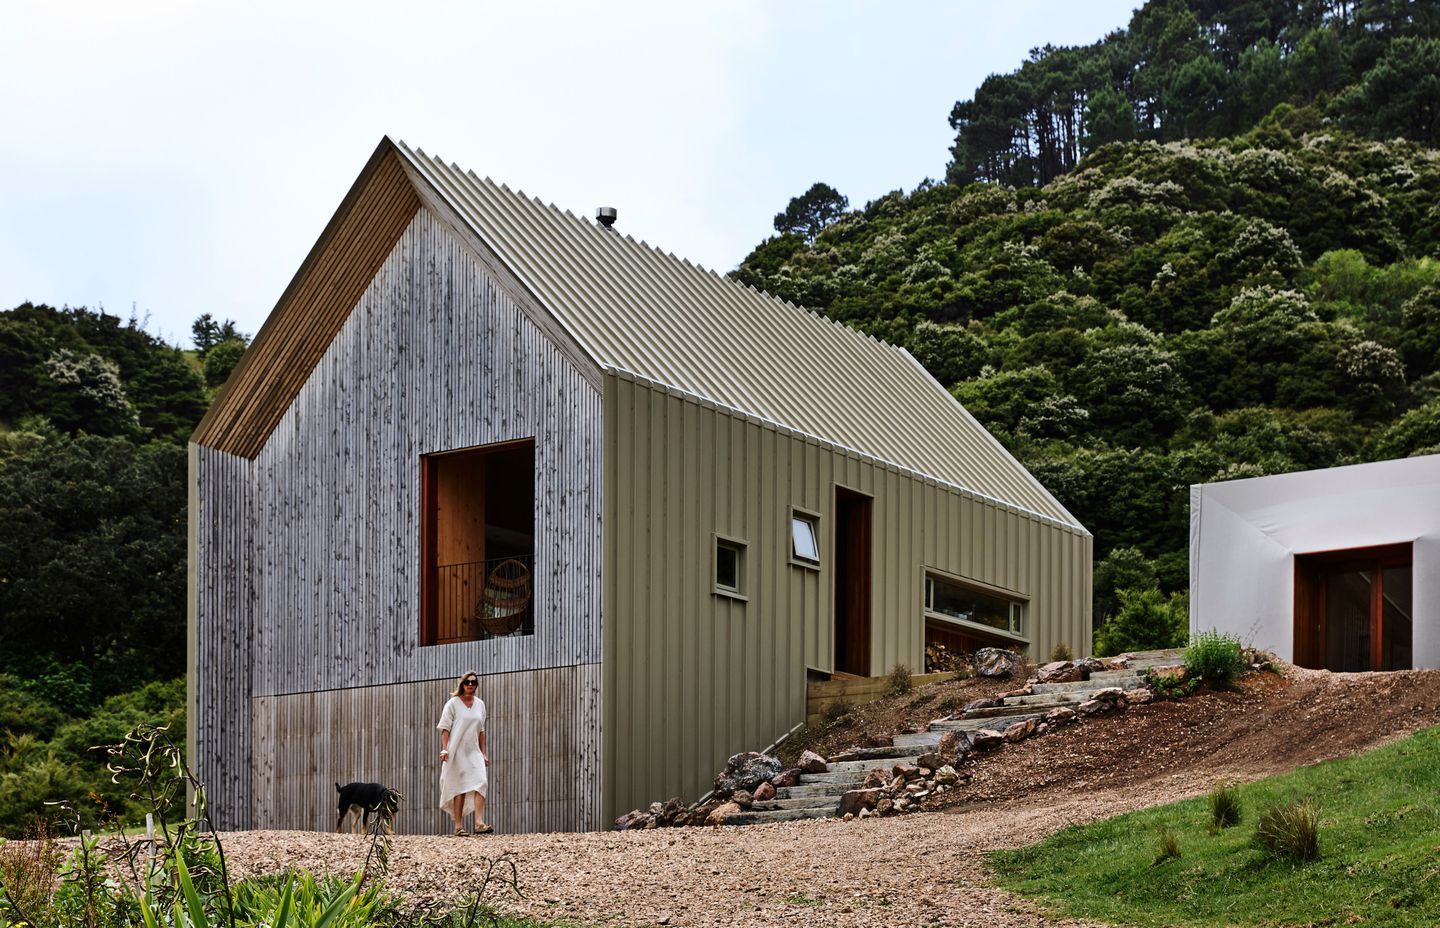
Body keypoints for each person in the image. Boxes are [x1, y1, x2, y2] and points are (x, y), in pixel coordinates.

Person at [436, 670, 491, 835]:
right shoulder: (452, 704)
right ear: (462, 684)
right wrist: (444, 748)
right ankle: (458, 826)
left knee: (481, 781)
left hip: (473, 750)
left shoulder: (480, 704)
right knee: (460, 787)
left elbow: (481, 730)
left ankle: (479, 823)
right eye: (468, 682)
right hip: (456, 750)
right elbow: (444, 727)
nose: (471, 685)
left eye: (474, 682)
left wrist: (483, 753)